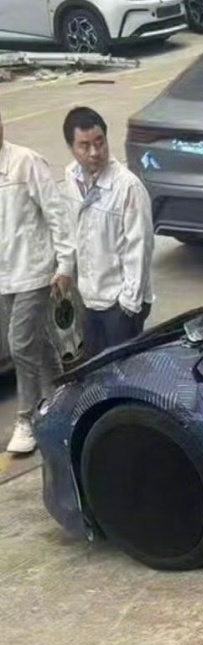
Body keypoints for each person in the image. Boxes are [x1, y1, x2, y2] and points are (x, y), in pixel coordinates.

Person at [0, 110, 76, 455]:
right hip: (5, 277)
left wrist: (65, 263)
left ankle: (26, 417)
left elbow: (56, 213)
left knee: (19, 344)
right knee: (39, 341)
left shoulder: (25, 163)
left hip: (34, 271)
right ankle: (61, 396)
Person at [60, 107, 155, 355]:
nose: (95, 152)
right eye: (85, 145)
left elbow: (140, 248)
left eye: (99, 142)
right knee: (95, 370)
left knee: (124, 370)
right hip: (90, 299)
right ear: (71, 147)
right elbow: (71, 229)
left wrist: (128, 303)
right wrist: (65, 268)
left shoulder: (128, 187)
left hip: (120, 304)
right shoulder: (71, 177)